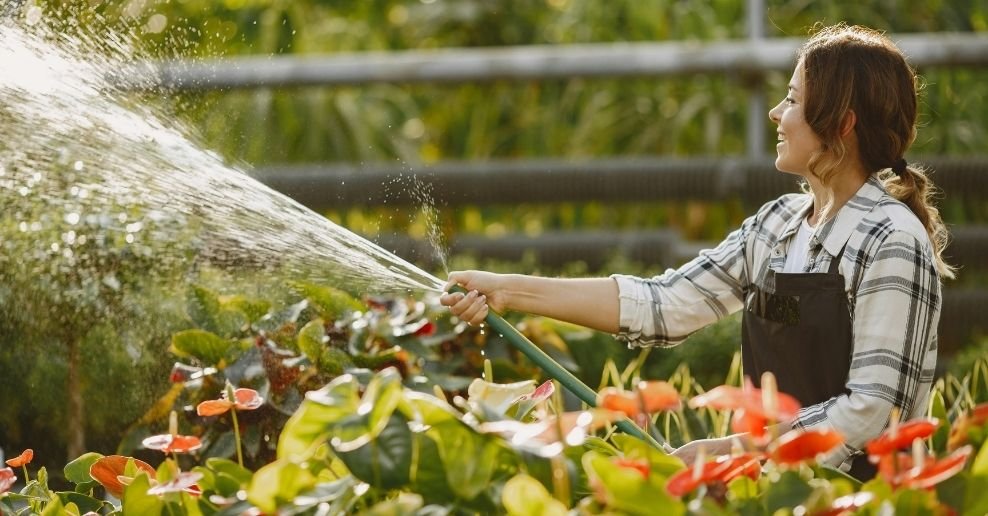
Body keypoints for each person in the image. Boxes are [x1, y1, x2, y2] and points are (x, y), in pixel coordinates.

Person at [439, 24, 953, 481]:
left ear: (841, 124)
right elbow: (665, 304)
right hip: (777, 492)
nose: (776, 112)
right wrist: (505, 289)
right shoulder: (776, 226)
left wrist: (733, 453)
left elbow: (870, 411)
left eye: (793, 100)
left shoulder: (892, 240)